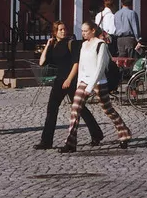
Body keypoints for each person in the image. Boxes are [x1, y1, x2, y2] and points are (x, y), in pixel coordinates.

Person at [59, 21, 130, 152]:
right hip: (84, 81)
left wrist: (90, 87)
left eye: (86, 31)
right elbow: (82, 66)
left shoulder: (100, 45)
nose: (83, 33)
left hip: (98, 82)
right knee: (75, 109)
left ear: (93, 30)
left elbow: (100, 68)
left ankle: (124, 134)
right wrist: (80, 83)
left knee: (108, 109)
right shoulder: (84, 45)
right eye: (82, 31)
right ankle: (70, 143)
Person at [35, 20, 103, 150]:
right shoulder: (54, 46)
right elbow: (42, 62)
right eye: (60, 29)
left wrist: (69, 79)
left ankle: (96, 134)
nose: (63, 31)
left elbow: (75, 63)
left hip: (71, 80)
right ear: (55, 32)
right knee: (51, 110)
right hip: (59, 80)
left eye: (64, 29)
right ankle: (46, 141)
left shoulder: (71, 43)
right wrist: (47, 45)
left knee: (80, 109)